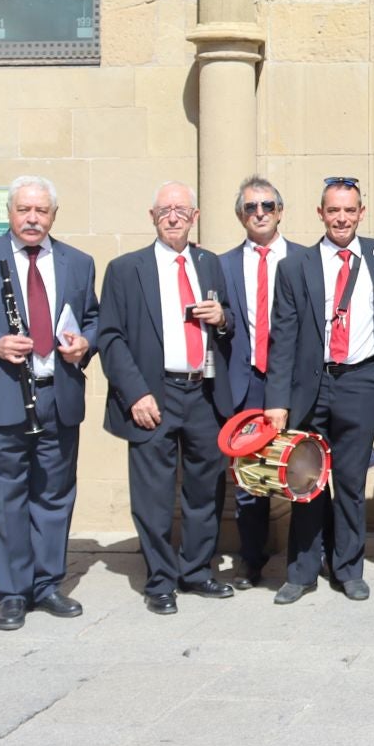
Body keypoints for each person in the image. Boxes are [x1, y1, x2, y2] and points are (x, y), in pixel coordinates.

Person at [0, 175, 98, 631]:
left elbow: (94, 317)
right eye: (24, 210)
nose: (32, 218)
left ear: (53, 215)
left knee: (54, 495)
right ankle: (11, 592)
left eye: (41, 211)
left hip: (57, 394)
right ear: (10, 213)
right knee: (4, 498)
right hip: (0, 397)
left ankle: (47, 585)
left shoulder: (78, 262)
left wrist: (86, 341)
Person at [95, 181, 238, 613]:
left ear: (194, 218)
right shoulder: (125, 269)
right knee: (153, 496)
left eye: (181, 210)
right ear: (152, 217)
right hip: (154, 395)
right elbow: (111, 337)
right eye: (165, 210)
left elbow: (230, 323)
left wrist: (224, 318)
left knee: (204, 490)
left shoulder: (210, 264)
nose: (173, 216)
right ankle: (159, 580)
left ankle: (195, 571)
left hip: (203, 391)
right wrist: (135, 393)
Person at [263, 177, 374, 604]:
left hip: (360, 380)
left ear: (362, 213)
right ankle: (302, 571)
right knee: (306, 479)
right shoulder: (295, 266)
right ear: (320, 213)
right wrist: (277, 403)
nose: (341, 218)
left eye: (349, 210)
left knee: (349, 480)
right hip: (312, 384)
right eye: (333, 210)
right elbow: (282, 338)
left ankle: (348, 568)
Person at [215, 176, 308, 590]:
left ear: (280, 211)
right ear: (240, 215)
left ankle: (307, 561)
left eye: (267, 206)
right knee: (249, 476)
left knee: (305, 469)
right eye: (251, 207)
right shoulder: (222, 265)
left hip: (296, 384)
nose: (259, 214)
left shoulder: (307, 260)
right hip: (247, 381)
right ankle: (251, 562)